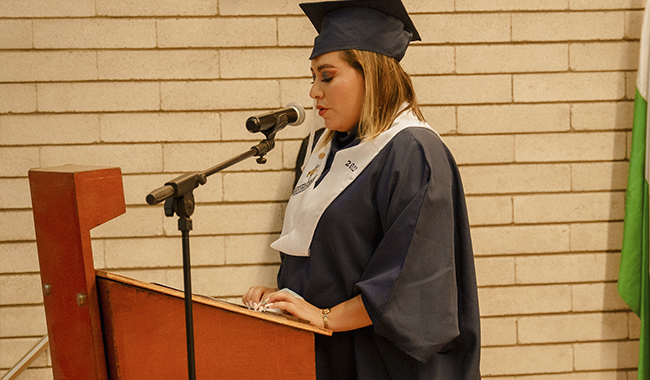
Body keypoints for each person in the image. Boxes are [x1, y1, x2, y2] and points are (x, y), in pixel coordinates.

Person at [243, 0, 481, 378]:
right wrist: (283, 299)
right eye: (313, 77)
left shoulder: (413, 153)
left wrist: (324, 315)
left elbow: (412, 281)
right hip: (325, 352)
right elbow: (318, 251)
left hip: (385, 362)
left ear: (371, 74)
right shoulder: (317, 148)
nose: (313, 92)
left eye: (327, 76)